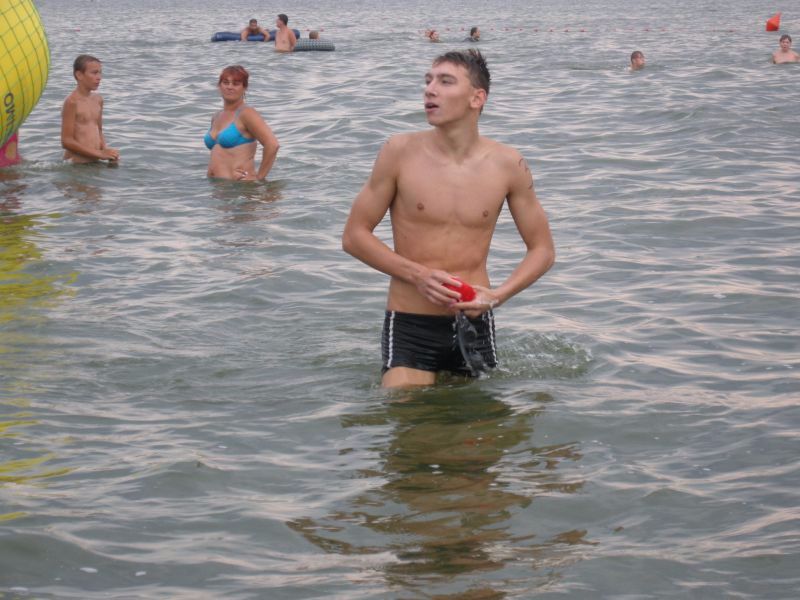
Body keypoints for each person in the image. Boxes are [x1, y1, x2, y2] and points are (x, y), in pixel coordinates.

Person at [341, 50, 555, 388]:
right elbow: (354, 236)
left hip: (473, 325)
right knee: (405, 412)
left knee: (479, 421)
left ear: (476, 98)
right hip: (410, 323)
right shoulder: (399, 152)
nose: (430, 89)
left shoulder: (508, 164)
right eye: (428, 81)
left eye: (445, 81)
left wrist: (498, 296)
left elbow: (542, 250)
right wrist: (419, 275)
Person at [205, 65, 280, 181]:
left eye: (235, 84)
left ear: (244, 88)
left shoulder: (246, 113)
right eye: (225, 82)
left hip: (239, 188)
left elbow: (272, 145)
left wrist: (259, 177)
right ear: (219, 86)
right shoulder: (216, 116)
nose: (229, 87)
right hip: (216, 187)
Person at [60, 55, 119, 164]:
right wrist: (100, 154)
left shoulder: (98, 100)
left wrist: (107, 153)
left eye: (100, 73)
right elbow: (66, 141)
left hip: (94, 162)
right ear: (79, 75)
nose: (99, 77)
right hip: (76, 166)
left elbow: (99, 130)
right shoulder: (72, 102)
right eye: (94, 73)